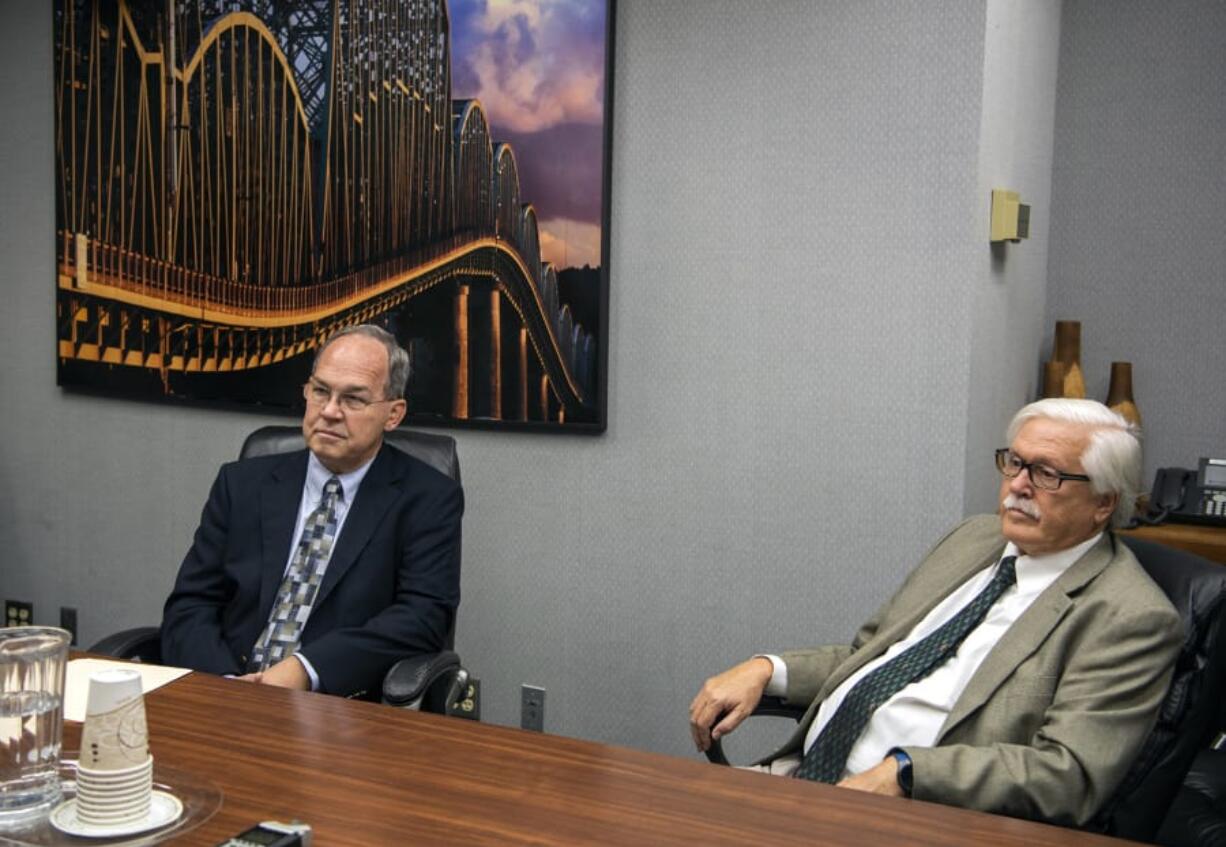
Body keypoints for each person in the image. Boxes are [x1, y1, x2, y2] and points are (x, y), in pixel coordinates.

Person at [688, 398, 1182, 826]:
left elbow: (1066, 775)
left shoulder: (1130, 617)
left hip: (921, 816)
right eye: (1014, 463)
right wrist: (767, 670)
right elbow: (871, 655)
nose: (1018, 487)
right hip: (806, 779)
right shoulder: (973, 539)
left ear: (1103, 502)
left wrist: (908, 772)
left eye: (1046, 474)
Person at [161, 324, 463, 699]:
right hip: (224, 693)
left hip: (337, 707)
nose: (330, 411)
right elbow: (191, 604)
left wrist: (306, 669)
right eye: (321, 391)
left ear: (393, 414)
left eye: (353, 399)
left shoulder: (428, 498)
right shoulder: (241, 484)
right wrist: (224, 685)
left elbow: (422, 619)